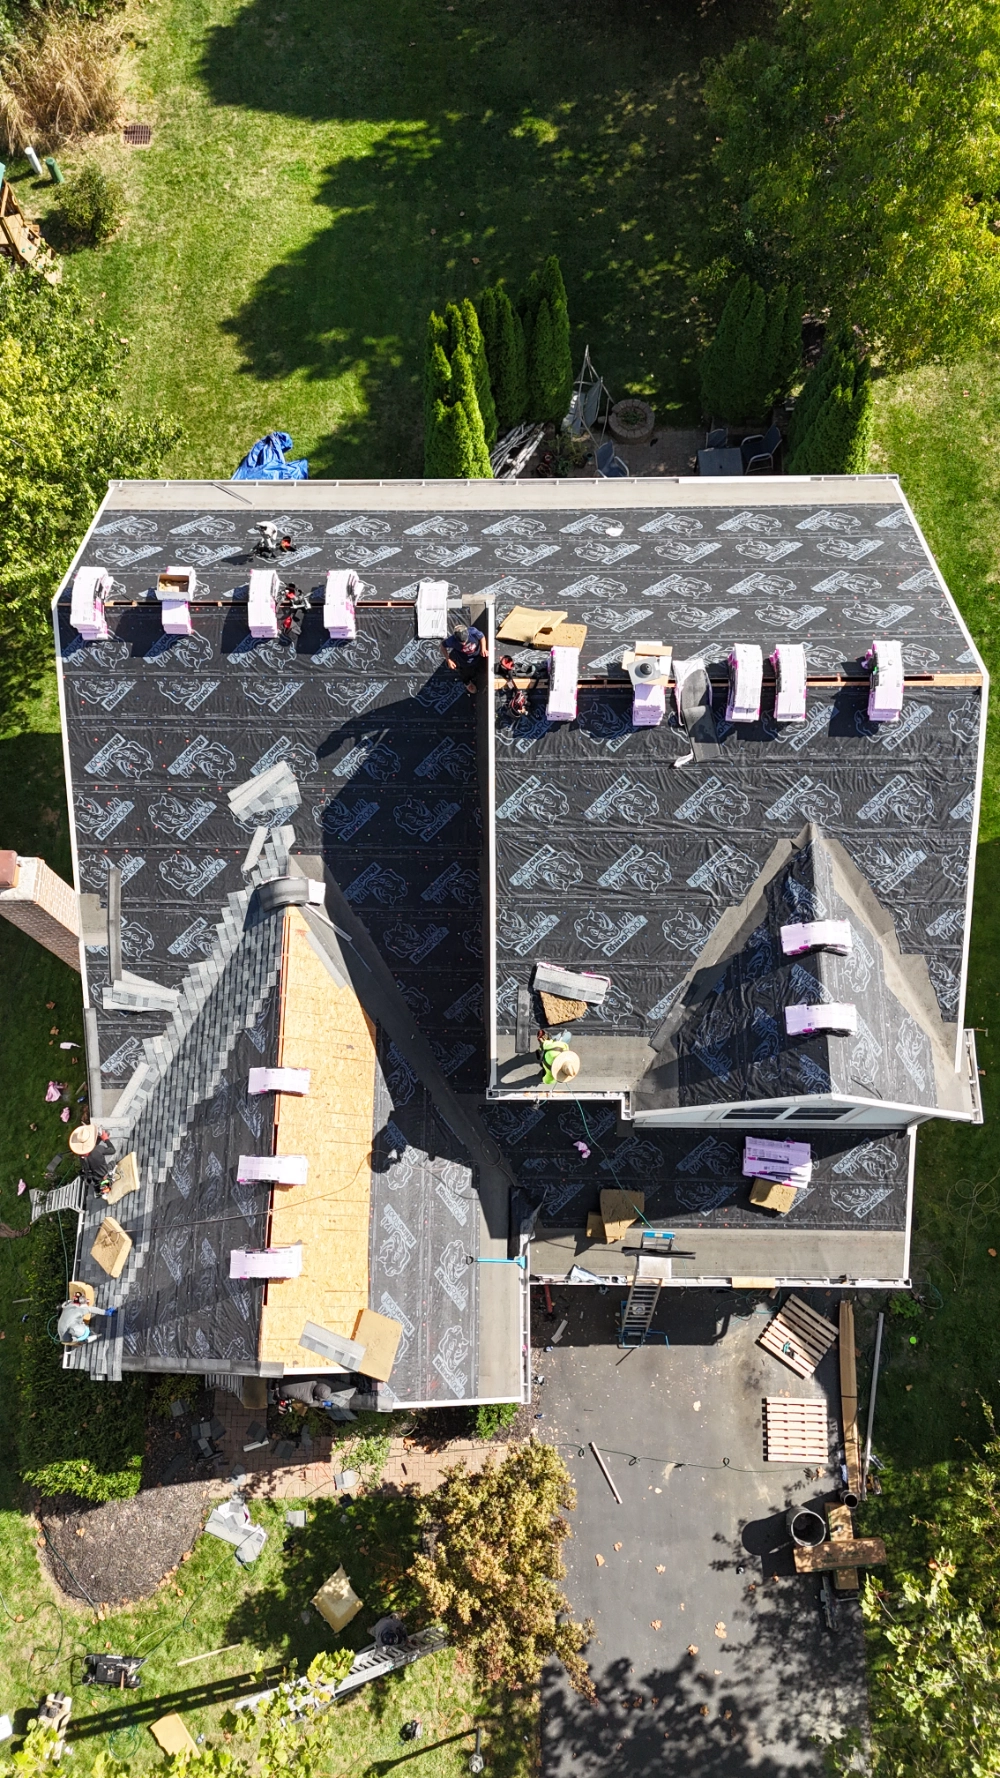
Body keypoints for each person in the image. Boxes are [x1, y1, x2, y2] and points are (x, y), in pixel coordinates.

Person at [68, 1124, 117, 1197]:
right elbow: (112, 1150)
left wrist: (99, 1139)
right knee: (113, 1162)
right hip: (103, 1173)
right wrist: (106, 1139)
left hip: (92, 1178)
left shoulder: (80, 1154)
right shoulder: (98, 1149)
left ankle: (99, 1187)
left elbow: (90, 1149)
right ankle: (107, 1178)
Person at [440, 622, 487, 693]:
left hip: (478, 656)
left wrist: (483, 648)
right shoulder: (451, 640)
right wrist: (448, 659)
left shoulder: (473, 631)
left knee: (482, 669)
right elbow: (442, 646)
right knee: (465, 674)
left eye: (465, 641)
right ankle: (467, 682)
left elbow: (482, 637)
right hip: (465, 661)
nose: (464, 644)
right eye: (461, 642)